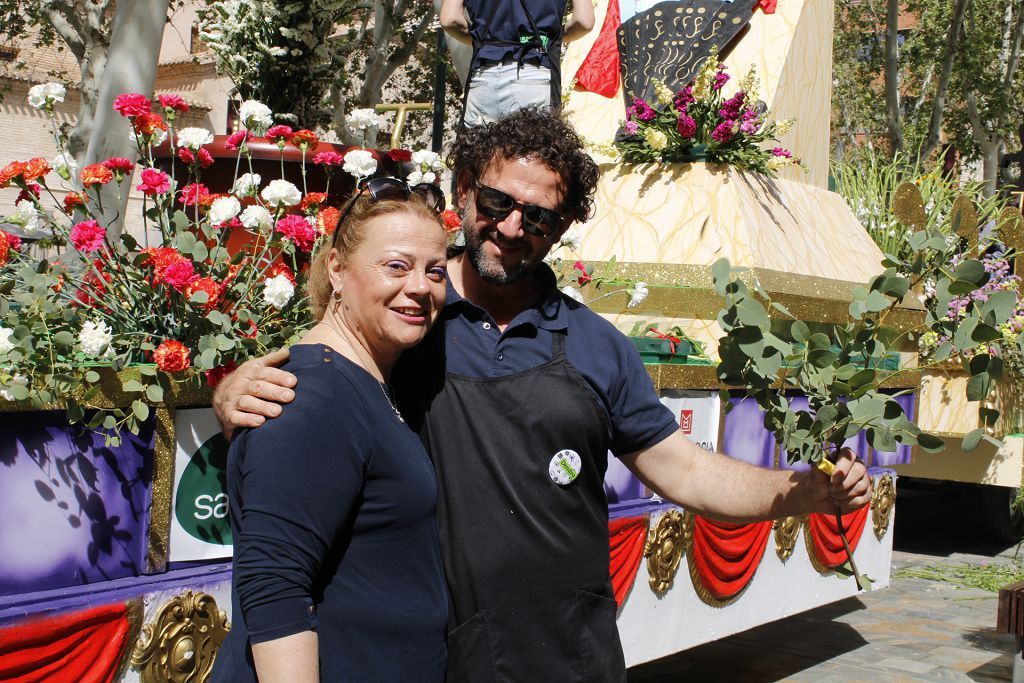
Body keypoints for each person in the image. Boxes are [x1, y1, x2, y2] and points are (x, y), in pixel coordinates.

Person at [214, 107, 873, 682]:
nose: (510, 226)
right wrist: (236, 386)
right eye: (497, 202)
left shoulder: (595, 346)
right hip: (453, 659)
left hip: (569, 656)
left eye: (538, 215)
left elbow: (688, 469)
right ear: (466, 192)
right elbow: (334, 347)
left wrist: (799, 491)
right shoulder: (415, 316)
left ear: (562, 227)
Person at [211, 180, 450, 682]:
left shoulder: (367, 381)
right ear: (337, 271)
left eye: (435, 271)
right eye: (396, 266)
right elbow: (275, 586)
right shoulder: (315, 398)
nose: (421, 287)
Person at [439, 0, 595, 127]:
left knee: (479, 160)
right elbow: (584, 22)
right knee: (535, 158)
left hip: (484, 76)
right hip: (534, 74)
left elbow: (449, 19)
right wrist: (553, 38)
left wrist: (483, 42)